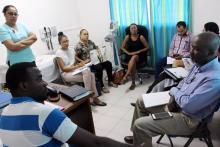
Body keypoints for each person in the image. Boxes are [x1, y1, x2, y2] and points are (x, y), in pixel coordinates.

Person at [0, 62, 138, 147]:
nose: (45, 83)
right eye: (39, 79)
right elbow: (98, 143)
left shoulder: (4, 114)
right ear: (24, 86)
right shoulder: (45, 113)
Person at [124, 32, 220, 147]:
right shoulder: (199, 63)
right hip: (178, 104)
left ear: (210, 52)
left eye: (196, 49)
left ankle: (140, 132)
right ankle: (137, 137)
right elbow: (183, 83)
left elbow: (188, 105)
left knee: (140, 125)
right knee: (141, 100)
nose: (190, 52)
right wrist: (174, 96)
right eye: (192, 47)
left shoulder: (215, 79)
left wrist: (174, 93)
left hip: (189, 119)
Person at [147, 22, 220, 93]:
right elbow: (171, 47)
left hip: (183, 57)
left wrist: (183, 56)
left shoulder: (193, 37)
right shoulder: (175, 36)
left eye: (204, 30)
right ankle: (155, 84)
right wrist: (171, 54)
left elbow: (193, 51)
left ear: (185, 29)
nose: (180, 33)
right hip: (173, 56)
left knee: (170, 71)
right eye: (178, 31)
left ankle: (162, 87)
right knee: (159, 63)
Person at [56, 32, 106, 106]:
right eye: (64, 42)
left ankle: (89, 98)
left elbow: (74, 61)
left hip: (74, 70)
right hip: (66, 74)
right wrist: (77, 66)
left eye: (67, 41)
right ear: (59, 43)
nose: (66, 43)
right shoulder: (58, 53)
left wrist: (82, 63)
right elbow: (64, 69)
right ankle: (94, 98)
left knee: (89, 73)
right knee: (90, 75)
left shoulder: (70, 50)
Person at [75, 29, 117, 94]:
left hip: (96, 59)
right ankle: (102, 86)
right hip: (89, 63)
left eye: (87, 34)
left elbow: (96, 48)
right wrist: (82, 61)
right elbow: (76, 57)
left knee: (108, 63)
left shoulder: (90, 42)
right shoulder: (78, 46)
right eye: (84, 34)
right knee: (99, 67)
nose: (86, 35)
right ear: (80, 36)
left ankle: (110, 81)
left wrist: (100, 51)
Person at [120, 23, 149, 90]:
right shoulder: (127, 37)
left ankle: (126, 77)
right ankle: (132, 82)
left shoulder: (141, 37)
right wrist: (128, 53)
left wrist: (138, 51)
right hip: (129, 55)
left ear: (137, 29)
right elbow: (122, 47)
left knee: (134, 57)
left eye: (135, 28)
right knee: (133, 62)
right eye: (132, 28)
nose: (133, 29)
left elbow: (147, 47)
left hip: (139, 56)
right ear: (130, 30)